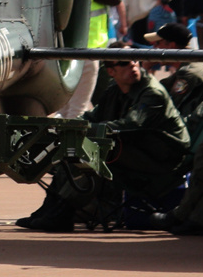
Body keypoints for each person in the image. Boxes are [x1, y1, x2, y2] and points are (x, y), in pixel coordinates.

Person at [18, 51, 190, 232]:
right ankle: (50, 209)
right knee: (71, 149)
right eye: (124, 63)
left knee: (92, 153)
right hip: (139, 151)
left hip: (163, 160)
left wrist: (84, 131)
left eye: (134, 60)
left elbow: (131, 125)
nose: (132, 65)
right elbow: (92, 117)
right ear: (111, 71)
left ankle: (61, 213)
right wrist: (66, 127)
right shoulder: (115, 90)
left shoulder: (151, 93)